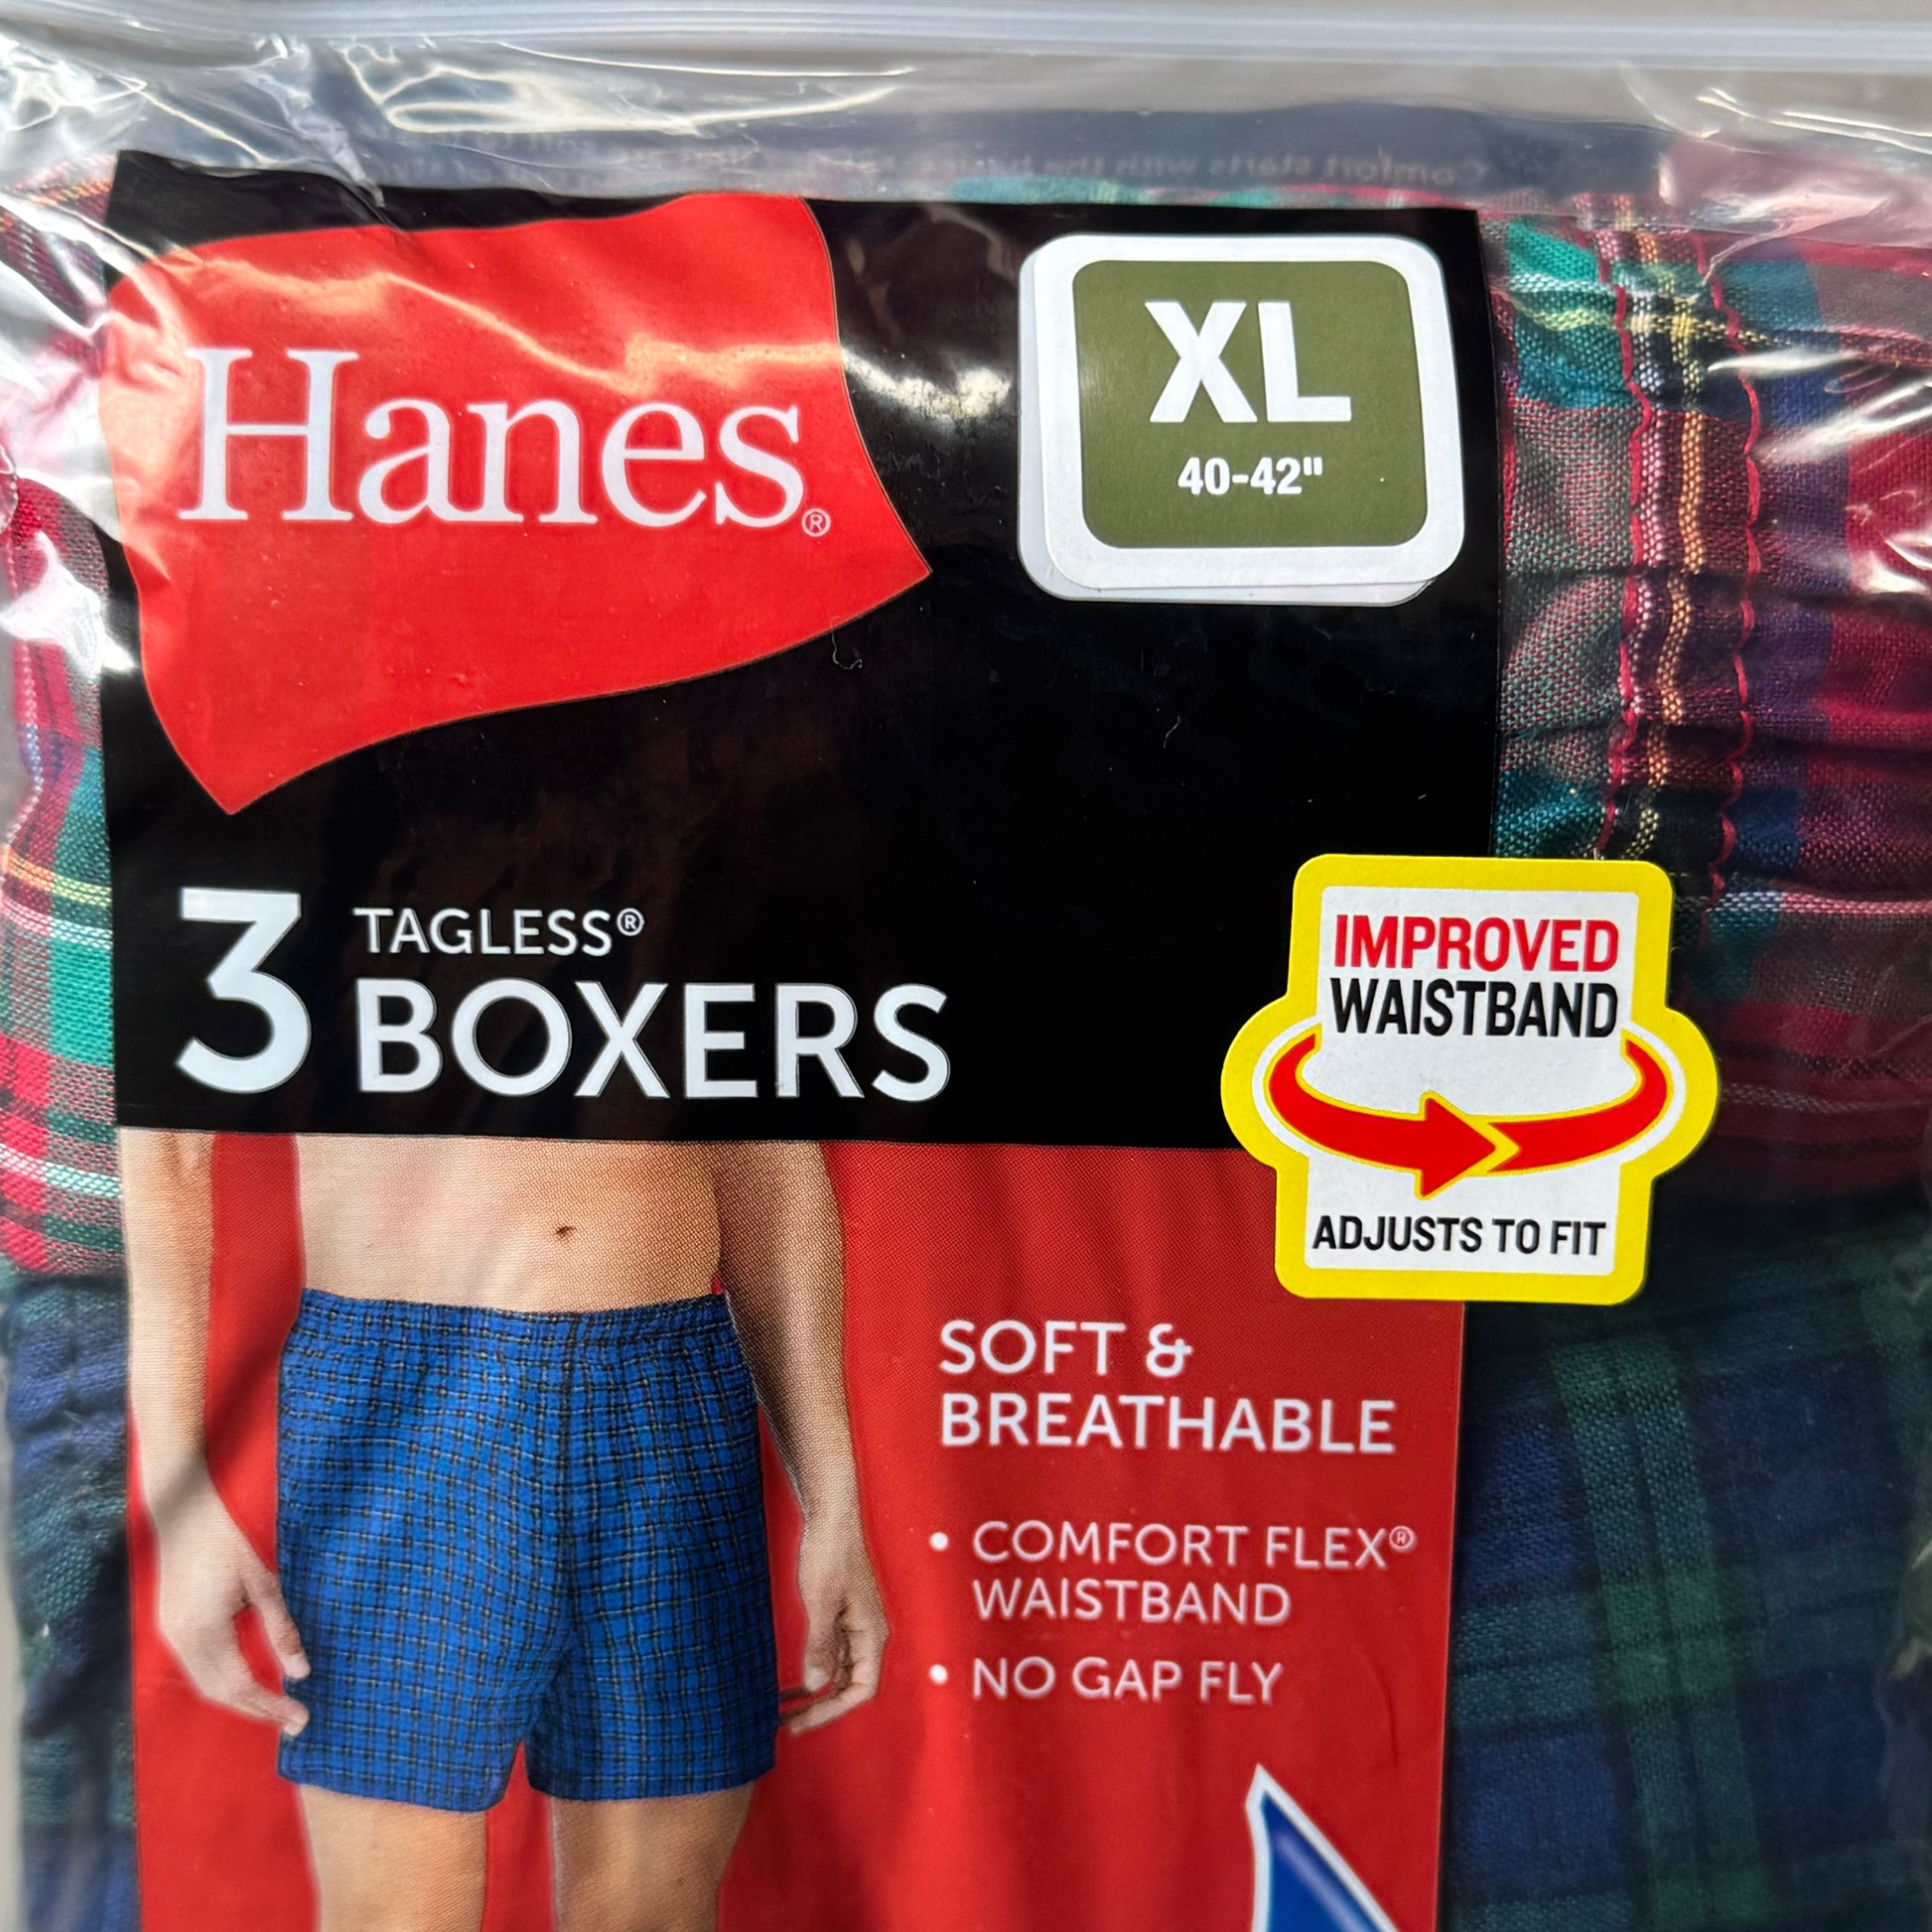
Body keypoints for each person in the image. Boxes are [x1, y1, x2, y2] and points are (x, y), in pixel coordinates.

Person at [121, 1131, 887, 1932]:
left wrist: (834, 1501)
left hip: (665, 1390)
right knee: (398, 1918)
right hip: (401, 1389)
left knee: (657, 1911)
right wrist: (179, 1497)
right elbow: (169, 1144)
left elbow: (765, 1162)